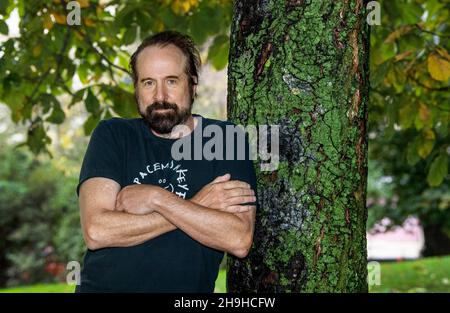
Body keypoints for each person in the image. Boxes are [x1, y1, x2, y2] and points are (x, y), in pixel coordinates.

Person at [76, 31, 257, 292]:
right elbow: (97, 231)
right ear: (136, 88)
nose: (160, 96)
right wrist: (197, 205)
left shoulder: (225, 140)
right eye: (148, 83)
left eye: (171, 81)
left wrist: (156, 199)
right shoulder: (113, 135)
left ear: (192, 85)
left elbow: (238, 238)